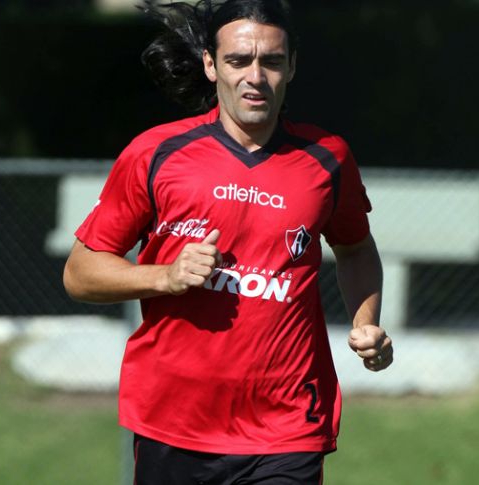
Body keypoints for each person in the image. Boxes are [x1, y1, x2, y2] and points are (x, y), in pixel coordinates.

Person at [63, 1, 393, 483]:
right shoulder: (156, 153)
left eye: (271, 61)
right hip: (174, 423)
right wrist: (166, 276)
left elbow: (355, 247)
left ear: (292, 66)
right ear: (210, 65)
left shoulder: (327, 158)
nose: (255, 77)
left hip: (287, 425)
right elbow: (80, 274)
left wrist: (367, 323)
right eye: (238, 60)